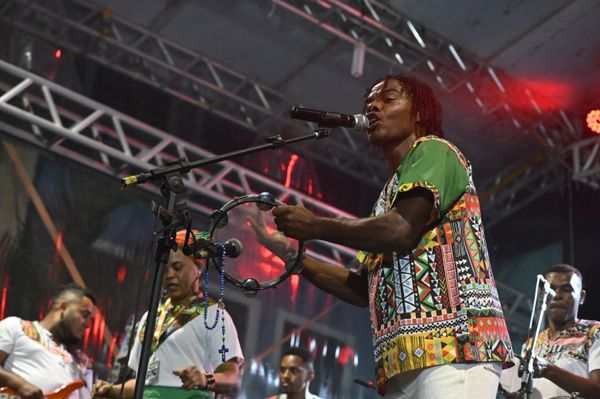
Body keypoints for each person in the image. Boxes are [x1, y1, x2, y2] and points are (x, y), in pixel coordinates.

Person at [251, 75, 513, 398]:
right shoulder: (385, 199)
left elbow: (401, 230)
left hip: (456, 350)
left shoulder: (435, 150)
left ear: (419, 113)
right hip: (401, 363)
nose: (373, 105)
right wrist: (291, 256)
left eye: (388, 98)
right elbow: (362, 287)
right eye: (370, 102)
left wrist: (317, 226)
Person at [92, 230, 243, 398]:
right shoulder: (149, 318)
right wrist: (110, 390)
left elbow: (233, 378)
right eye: (164, 270)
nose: (170, 275)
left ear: (198, 269)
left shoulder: (214, 316)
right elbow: (143, 385)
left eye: (177, 267)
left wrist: (204, 379)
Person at [500, 264, 600, 398]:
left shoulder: (594, 332)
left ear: (581, 297)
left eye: (566, 289)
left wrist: (549, 370)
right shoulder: (531, 344)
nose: (557, 295)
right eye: (551, 289)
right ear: (542, 295)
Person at [0, 283, 96, 399]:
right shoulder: (15, 326)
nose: (88, 325)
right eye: (85, 315)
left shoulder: (80, 362)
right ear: (63, 307)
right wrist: (20, 385)